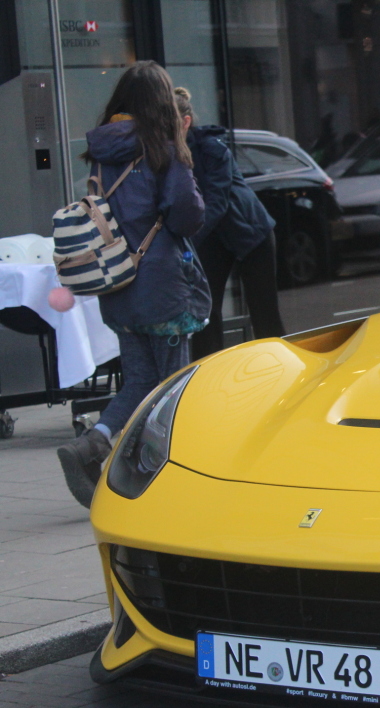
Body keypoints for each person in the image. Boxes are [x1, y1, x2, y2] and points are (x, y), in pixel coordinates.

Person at [56, 61, 208, 508]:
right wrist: (182, 155)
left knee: (139, 379)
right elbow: (187, 214)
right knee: (171, 387)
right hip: (162, 288)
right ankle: (164, 473)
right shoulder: (163, 149)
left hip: (118, 284)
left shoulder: (104, 149)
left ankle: (90, 445)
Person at [178, 88, 285, 361]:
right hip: (215, 238)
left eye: (168, 123)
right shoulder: (171, 156)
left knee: (263, 312)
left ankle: (282, 369)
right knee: (205, 310)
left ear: (185, 122)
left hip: (251, 233)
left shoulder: (213, 149)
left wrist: (188, 240)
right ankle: (207, 373)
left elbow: (216, 202)